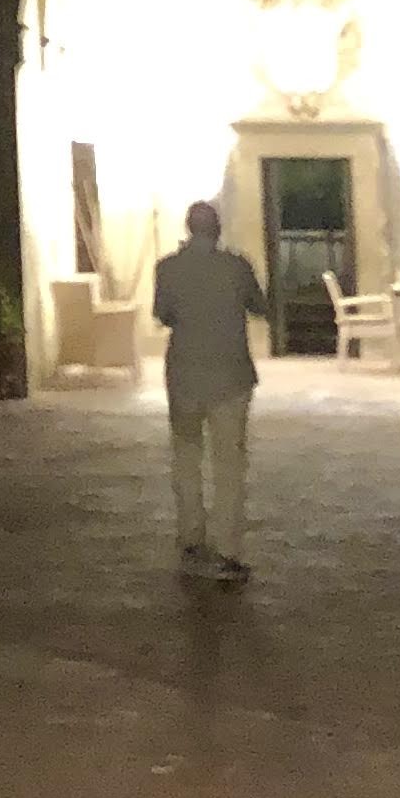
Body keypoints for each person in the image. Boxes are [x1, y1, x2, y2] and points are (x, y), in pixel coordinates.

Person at [149, 198, 268, 585]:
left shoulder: (166, 268)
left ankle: (190, 536)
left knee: (186, 457)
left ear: (188, 228)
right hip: (230, 375)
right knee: (229, 464)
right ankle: (228, 551)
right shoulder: (236, 266)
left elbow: (164, 315)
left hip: (184, 373)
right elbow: (259, 306)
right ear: (217, 229)